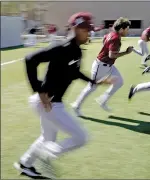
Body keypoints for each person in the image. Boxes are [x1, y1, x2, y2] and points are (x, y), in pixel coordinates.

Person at [13, 12, 108, 178]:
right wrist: (39, 90)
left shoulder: (77, 51)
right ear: (77, 29)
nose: (90, 33)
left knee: (47, 137)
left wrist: (93, 81)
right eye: (87, 30)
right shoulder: (63, 48)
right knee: (81, 137)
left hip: (50, 102)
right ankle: (46, 156)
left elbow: (74, 71)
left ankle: (25, 163)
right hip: (48, 103)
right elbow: (30, 59)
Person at [71, 17, 133, 116]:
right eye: (127, 28)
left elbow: (105, 42)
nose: (128, 31)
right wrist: (126, 52)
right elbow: (111, 55)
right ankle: (76, 106)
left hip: (108, 65)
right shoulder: (115, 38)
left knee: (119, 82)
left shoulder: (111, 34)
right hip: (101, 65)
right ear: (122, 29)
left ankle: (103, 100)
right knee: (92, 87)